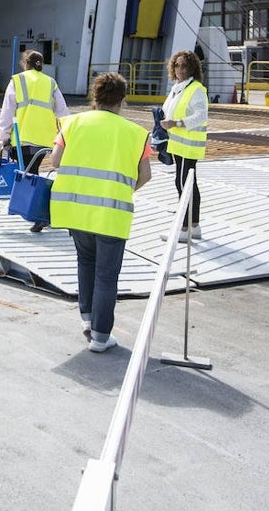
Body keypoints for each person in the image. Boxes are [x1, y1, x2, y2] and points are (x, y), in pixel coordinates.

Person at [46, 72, 152, 353]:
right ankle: (101, 337)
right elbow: (145, 175)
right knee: (106, 275)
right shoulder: (136, 134)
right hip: (112, 214)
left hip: (77, 211)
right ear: (122, 100)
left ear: (95, 97)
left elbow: (55, 161)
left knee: (85, 263)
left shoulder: (72, 123)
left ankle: (88, 319)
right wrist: (122, 189)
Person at [0, 50, 71, 231]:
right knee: (34, 173)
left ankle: (41, 214)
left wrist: (4, 137)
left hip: (23, 138)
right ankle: (43, 213)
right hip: (45, 139)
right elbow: (63, 112)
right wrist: (65, 136)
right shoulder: (50, 83)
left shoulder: (17, 80)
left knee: (30, 176)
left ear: (25, 63)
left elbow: (7, 110)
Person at [159, 50, 208, 242]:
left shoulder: (195, 89)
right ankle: (194, 226)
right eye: (177, 65)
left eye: (184, 65)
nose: (180, 69)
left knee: (183, 185)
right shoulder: (179, 87)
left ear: (192, 68)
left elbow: (201, 116)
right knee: (189, 184)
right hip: (179, 144)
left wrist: (176, 123)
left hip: (188, 145)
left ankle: (184, 228)